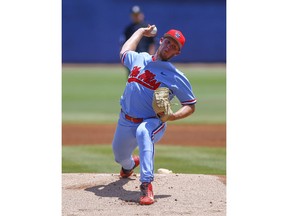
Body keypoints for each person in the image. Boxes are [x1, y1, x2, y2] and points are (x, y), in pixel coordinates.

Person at [112, 25, 197, 205]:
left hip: (152, 121)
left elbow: (190, 105)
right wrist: (141, 32)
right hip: (125, 120)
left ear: (177, 53)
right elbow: (124, 51)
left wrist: (173, 117)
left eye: (174, 46)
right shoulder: (140, 58)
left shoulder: (176, 76)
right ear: (161, 41)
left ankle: (146, 184)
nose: (169, 46)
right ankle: (128, 166)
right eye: (168, 42)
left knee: (144, 132)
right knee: (119, 156)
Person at [120, 5, 156, 76]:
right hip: (133, 57)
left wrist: (152, 57)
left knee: (145, 79)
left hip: (145, 57)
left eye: (137, 14)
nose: (136, 16)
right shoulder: (128, 29)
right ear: (131, 16)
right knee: (131, 79)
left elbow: (152, 44)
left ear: (141, 15)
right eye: (134, 15)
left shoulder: (147, 28)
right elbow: (124, 44)